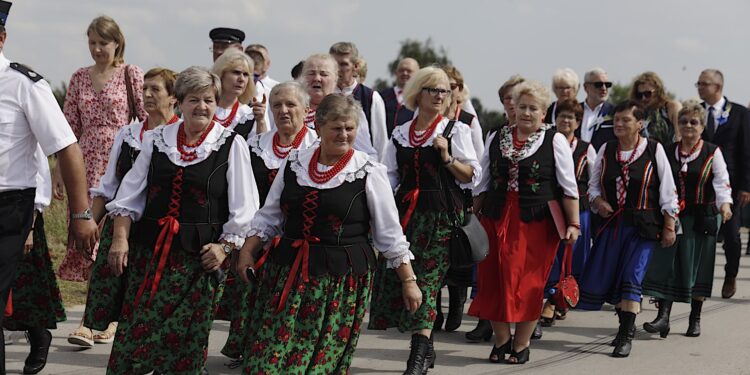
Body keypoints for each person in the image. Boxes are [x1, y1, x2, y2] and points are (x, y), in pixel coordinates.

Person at [235, 94, 421, 374]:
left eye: (350, 128)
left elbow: (389, 234)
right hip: (288, 272)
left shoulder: (368, 171)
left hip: (339, 281)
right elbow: (269, 215)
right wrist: (248, 251)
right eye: (336, 127)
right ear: (319, 128)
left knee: (317, 361)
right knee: (268, 355)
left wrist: (408, 280)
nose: (344, 134)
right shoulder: (295, 161)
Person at [105, 66, 260, 374]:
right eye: (194, 99)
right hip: (150, 255)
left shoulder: (231, 145)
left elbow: (245, 209)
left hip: (198, 261)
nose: (202, 106)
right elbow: (129, 195)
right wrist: (120, 239)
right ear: (179, 103)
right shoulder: (156, 139)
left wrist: (224, 248)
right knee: (136, 336)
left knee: (183, 344)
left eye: (209, 99)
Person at [0, 2, 98, 371]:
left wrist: (81, 213)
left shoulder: (24, 85)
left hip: (9, 207)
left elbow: (66, 149)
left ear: (2, 37)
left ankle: (38, 333)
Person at [369, 67, 480, 374]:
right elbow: (389, 175)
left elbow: (471, 174)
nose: (440, 96)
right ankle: (427, 348)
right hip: (407, 217)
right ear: (418, 93)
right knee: (408, 280)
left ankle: (417, 357)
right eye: (434, 89)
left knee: (427, 285)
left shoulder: (456, 130)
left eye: (445, 91)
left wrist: (446, 157)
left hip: (442, 217)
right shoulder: (401, 133)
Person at [51, 14, 147, 346]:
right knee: (86, 237)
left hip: (121, 163)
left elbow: (147, 119)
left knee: (111, 239)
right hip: (83, 163)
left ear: (117, 42)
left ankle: (108, 319)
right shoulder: (79, 77)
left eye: (102, 43)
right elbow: (66, 128)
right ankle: (94, 318)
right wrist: (58, 171)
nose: (96, 49)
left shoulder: (130, 74)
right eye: (91, 43)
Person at [468, 81, 579, 365]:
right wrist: (469, 218)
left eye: (534, 108)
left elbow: (568, 188)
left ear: (544, 113)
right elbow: (482, 183)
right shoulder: (496, 135)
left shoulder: (554, 140)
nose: (526, 113)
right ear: (512, 109)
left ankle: (522, 343)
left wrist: (574, 224)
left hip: (536, 223)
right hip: (495, 217)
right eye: (521, 107)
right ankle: (502, 340)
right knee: (492, 280)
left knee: (528, 284)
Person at [218, 81, 318, 364]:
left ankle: (284, 352)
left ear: (306, 110)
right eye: (277, 105)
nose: (283, 111)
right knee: (251, 292)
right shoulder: (255, 145)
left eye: (291, 105)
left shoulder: (316, 146)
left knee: (287, 297)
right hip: (256, 232)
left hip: (295, 236)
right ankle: (248, 347)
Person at [80, 68, 179, 348]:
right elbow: (108, 183)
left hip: (156, 228)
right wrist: (88, 222)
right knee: (110, 285)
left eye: (155, 89)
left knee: (146, 293)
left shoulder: (178, 137)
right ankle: (99, 329)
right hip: (120, 222)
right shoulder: (128, 133)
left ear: (173, 97)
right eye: (144, 88)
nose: (146, 94)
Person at [579, 101, 679, 358]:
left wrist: (669, 224)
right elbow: (593, 186)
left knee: (632, 277)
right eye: (618, 120)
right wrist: (598, 202)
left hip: (644, 227)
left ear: (640, 124)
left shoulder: (653, 149)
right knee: (614, 278)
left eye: (626, 120)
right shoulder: (606, 148)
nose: (620, 124)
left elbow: (668, 190)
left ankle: (626, 334)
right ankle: (623, 327)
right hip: (613, 226)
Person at [642, 100, 732, 339]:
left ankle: (695, 318)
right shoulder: (667, 150)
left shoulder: (712, 151)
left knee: (698, 269)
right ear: (677, 125)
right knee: (668, 265)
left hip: (702, 218)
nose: (688, 126)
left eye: (694, 122)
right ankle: (663, 318)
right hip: (674, 217)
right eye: (683, 121)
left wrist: (725, 205)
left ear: (702, 126)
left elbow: (721, 182)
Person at [465, 74, 525, 343]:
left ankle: (524, 321)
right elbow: (483, 178)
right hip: (497, 209)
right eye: (509, 99)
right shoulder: (495, 135)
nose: (514, 104)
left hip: (527, 213)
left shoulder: (545, 136)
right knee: (490, 267)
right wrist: (473, 212)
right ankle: (488, 321)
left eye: (519, 98)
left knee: (519, 271)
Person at [3, 146, 66, 375]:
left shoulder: (19, 122)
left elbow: (39, 175)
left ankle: (39, 335)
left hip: (20, 217)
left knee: (24, 287)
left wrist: (29, 227)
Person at [433, 64, 484, 334]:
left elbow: (478, 161)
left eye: (451, 86)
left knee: (457, 255)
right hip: (431, 201)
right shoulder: (417, 121)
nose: (447, 91)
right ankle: (435, 309)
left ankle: (456, 303)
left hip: (457, 196)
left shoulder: (467, 121)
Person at [540, 99, 595, 330]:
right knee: (551, 258)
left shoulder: (586, 149)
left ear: (578, 122)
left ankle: (561, 298)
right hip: (551, 210)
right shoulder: (546, 143)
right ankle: (551, 301)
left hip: (577, 210)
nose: (565, 120)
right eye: (561, 116)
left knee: (572, 258)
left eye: (570, 117)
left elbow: (594, 181)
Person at [696, 69, 750, 299]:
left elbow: (747, 150)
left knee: (732, 235)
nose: (699, 87)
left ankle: (731, 274)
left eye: (704, 83)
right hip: (700, 184)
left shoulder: (738, 113)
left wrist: (746, 185)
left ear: (717, 87)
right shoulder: (696, 112)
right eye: (698, 83)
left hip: (732, 184)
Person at [299, 53, 378, 159]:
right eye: (311, 73)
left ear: (335, 78)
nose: (317, 78)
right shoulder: (289, 109)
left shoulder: (349, 109)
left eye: (324, 74)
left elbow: (368, 154)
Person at [330, 42, 388, 160]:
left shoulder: (371, 97)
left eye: (343, 64)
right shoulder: (325, 95)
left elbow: (380, 142)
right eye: (333, 64)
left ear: (355, 67)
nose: (337, 69)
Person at [211, 49, 267, 139]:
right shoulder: (202, 108)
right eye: (236, 72)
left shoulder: (249, 115)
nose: (241, 79)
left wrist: (261, 121)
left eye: (245, 74)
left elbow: (260, 148)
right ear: (221, 74)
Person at [628, 71, 681, 145]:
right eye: (639, 95)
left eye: (647, 94)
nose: (643, 98)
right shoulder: (636, 112)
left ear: (658, 91)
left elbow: (680, 136)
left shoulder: (670, 107)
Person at [380, 58, 419, 136]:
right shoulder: (382, 96)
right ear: (396, 72)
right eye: (401, 70)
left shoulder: (421, 98)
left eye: (409, 71)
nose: (404, 73)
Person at [579, 68, 616, 150]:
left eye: (607, 85)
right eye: (598, 84)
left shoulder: (614, 112)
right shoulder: (575, 110)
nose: (604, 88)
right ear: (586, 87)